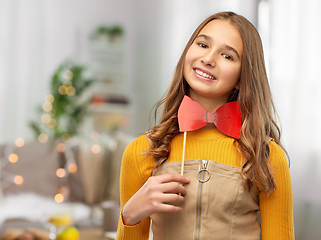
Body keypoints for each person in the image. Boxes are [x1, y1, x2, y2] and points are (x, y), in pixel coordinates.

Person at [116, 11, 294, 240]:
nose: (209, 59)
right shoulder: (140, 151)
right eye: (202, 44)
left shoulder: (267, 157)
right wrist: (130, 215)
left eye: (228, 56)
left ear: (243, 77)